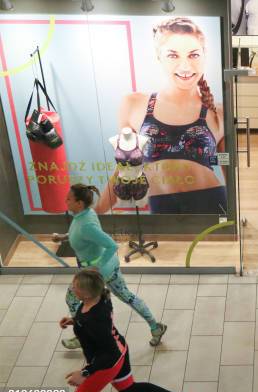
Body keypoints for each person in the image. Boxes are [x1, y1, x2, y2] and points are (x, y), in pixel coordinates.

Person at [96, 17, 226, 215]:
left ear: (204, 56)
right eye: (173, 55)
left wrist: (235, 217)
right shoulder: (133, 105)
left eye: (193, 55)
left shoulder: (218, 113)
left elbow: (226, 164)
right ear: (159, 57)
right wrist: (94, 214)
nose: (185, 66)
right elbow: (125, 168)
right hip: (163, 207)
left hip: (212, 202)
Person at [61, 269, 196, 392]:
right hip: (121, 349)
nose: (72, 287)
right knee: (128, 388)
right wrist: (75, 320)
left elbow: (109, 353)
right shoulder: (100, 298)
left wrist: (85, 373)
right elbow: (93, 320)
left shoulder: (94, 320)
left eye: (75, 286)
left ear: (87, 294)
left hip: (107, 363)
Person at [53, 184, 166, 349]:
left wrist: (96, 268)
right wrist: (63, 237)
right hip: (110, 266)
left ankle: (82, 335)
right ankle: (155, 327)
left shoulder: (86, 224)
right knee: (126, 295)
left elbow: (111, 245)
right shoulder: (85, 215)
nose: (65, 201)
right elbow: (82, 235)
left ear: (79, 203)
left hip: (95, 272)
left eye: (69, 199)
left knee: (72, 298)